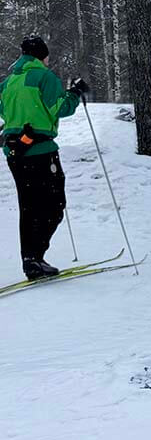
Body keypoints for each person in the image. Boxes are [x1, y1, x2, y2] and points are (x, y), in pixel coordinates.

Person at [0, 36, 88, 280]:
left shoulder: (8, 82)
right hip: (40, 151)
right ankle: (35, 258)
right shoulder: (44, 77)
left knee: (29, 206)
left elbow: (3, 110)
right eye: (47, 56)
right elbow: (60, 108)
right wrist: (75, 93)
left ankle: (31, 259)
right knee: (54, 205)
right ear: (41, 56)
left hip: (15, 152)